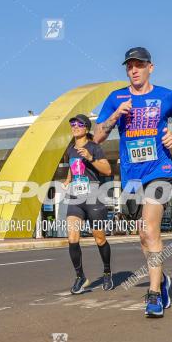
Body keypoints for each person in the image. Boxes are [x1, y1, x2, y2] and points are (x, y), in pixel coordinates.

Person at [94, 46, 172, 318]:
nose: (134, 70)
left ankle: (153, 295)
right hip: (131, 175)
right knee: (142, 234)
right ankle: (161, 279)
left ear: (151, 67)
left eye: (139, 65)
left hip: (159, 169)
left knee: (150, 230)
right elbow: (97, 137)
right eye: (129, 66)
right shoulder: (116, 98)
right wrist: (115, 116)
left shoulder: (167, 96)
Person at [62, 114, 114, 294]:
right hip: (76, 198)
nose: (75, 126)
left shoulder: (94, 147)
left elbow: (107, 170)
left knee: (99, 238)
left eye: (79, 124)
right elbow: (72, 167)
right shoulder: (70, 149)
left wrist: (91, 158)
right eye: (72, 124)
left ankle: (107, 272)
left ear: (86, 128)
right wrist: (68, 180)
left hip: (94, 197)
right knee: (72, 237)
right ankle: (80, 276)